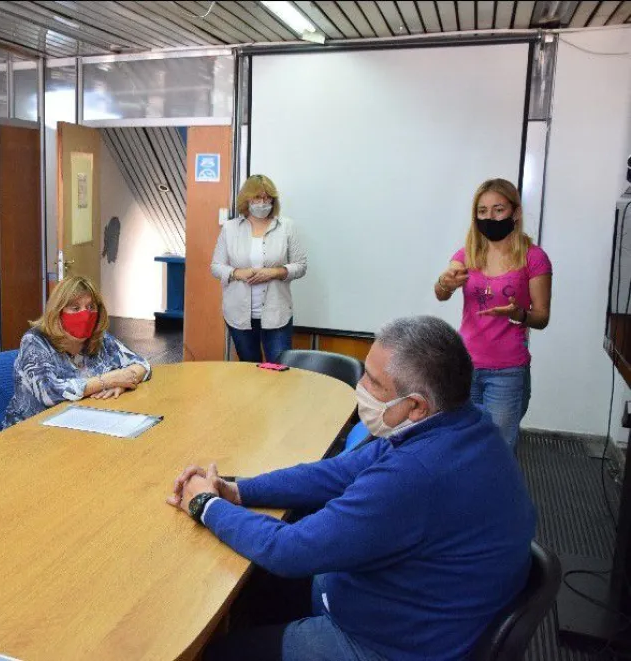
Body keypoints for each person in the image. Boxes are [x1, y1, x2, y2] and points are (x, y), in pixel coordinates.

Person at [167, 316, 536, 661]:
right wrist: (236, 491)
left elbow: (289, 550)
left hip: (382, 645)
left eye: (374, 382)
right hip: (414, 605)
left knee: (217, 652)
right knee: (253, 590)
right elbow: (336, 473)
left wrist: (204, 504)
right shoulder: (463, 424)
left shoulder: (413, 475)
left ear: (416, 406)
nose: (361, 387)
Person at [435, 178, 552, 451]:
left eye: (498, 209)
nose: (490, 217)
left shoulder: (534, 258)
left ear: (516, 212)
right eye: (483, 211)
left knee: (497, 449)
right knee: (462, 444)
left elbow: (542, 316)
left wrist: (519, 314)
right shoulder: (467, 254)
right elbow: (441, 292)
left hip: (507, 372)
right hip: (465, 365)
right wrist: (444, 282)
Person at [3, 274, 150, 428]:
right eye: (75, 308)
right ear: (57, 311)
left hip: (82, 423)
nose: (85, 315)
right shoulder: (35, 341)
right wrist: (107, 381)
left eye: (91, 307)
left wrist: (124, 381)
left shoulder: (99, 338)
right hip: (32, 433)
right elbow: (49, 393)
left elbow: (142, 365)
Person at [211, 174, 307, 363]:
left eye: (267, 197)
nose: (262, 202)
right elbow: (216, 266)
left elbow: (301, 266)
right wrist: (237, 273)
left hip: (277, 313)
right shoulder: (230, 229)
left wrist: (275, 272)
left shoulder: (286, 227)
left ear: (273, 199)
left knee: (279, 370)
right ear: (247, 199)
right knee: (249, 371)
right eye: (257, 197)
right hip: (238, 314)